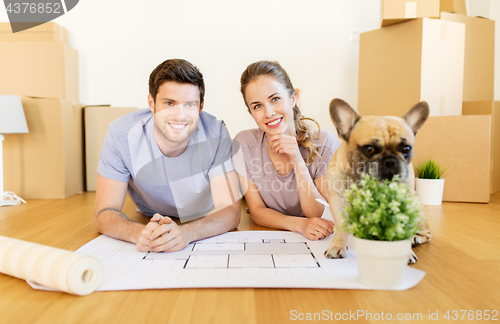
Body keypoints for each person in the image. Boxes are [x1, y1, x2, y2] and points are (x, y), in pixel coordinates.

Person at [94, 59, 241, 252]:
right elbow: (105, 211)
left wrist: (187, 233)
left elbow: (230, 211)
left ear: (201, 107)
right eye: (169, 103)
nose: (180, 115)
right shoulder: (121, 135)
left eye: (189, 104)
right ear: (152, 103)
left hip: (203, 216)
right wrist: (139, 233)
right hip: (149, 216)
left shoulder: (217, 132)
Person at [233, 60, 339, 240]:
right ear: (251, 113)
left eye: (275, 99)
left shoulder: (325, 143)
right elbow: (257, 211)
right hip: (273, 234)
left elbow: (318, 213)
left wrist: (297, 161)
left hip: (319, 237)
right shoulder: (243, 144)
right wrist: (299, 224)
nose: (269, 113)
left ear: (293, 99)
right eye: (257, 106)